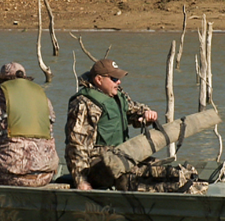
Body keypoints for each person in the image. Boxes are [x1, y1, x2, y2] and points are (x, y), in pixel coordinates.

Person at [64, 59, 159, 191]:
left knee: (159, 169)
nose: (119, 82)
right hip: (100, 166)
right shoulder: (84, 104)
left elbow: (134, 111)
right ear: (98, 80)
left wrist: (146, 114)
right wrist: (81, 181)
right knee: (150, 178)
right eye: (114, 79)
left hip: (122, 157)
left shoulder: (117, 96)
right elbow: (76, 146)